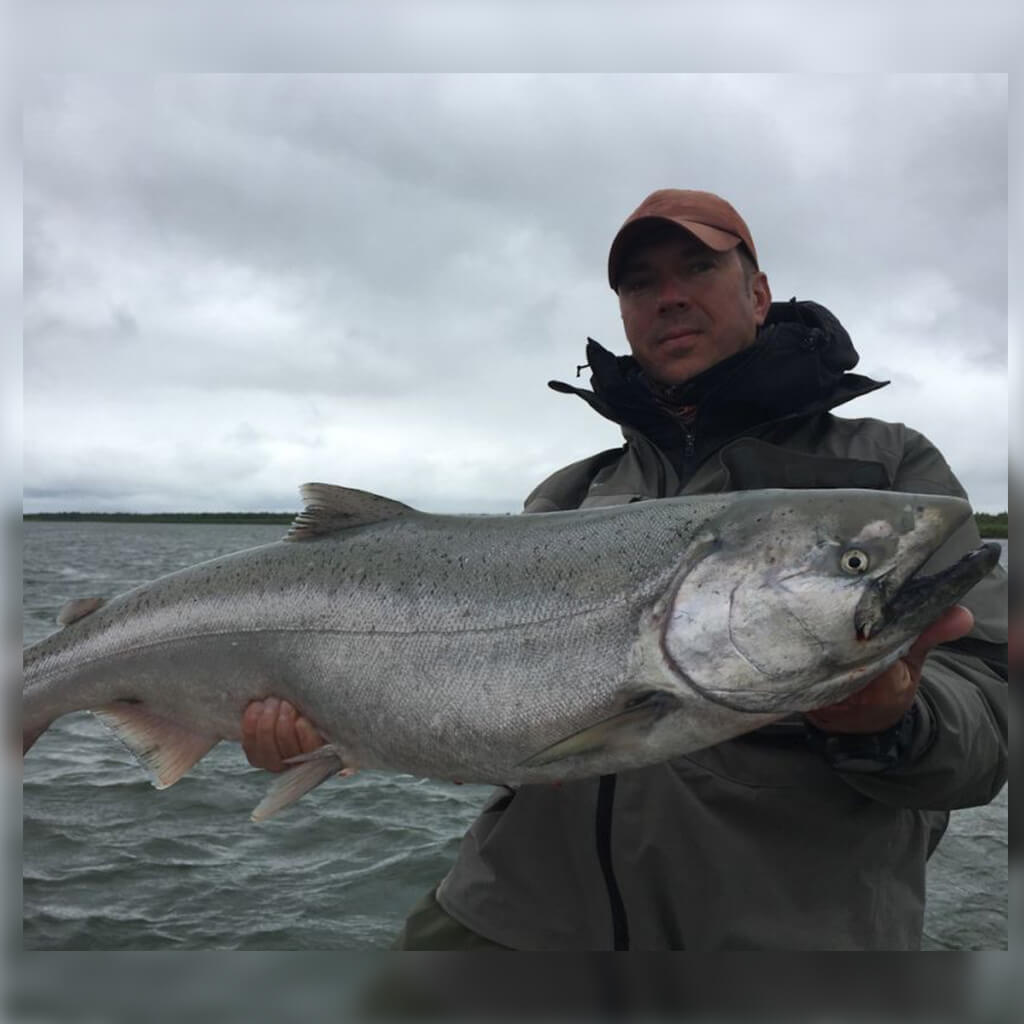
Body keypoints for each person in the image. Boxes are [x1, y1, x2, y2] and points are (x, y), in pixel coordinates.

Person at [241, 189, 1009, 950]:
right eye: (640, 283)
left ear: (759, 290)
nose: (668, 297)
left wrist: (893, 722)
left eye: (698, 267)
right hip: (511, 917)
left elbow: (991, 725)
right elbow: (490, 736)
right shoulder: (574, 494)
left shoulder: (887, 472)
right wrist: (331, 728)